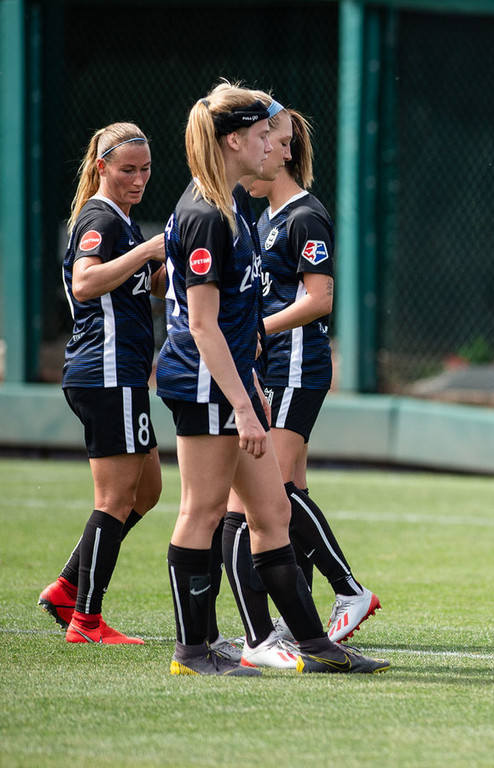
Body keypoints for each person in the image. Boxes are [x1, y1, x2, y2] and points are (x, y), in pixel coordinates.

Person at [157, 82, 387, 676]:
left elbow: (231, 323)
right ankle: (192, 649)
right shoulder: (208, 212)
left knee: (272, 513)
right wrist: (243, 403)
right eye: (263, 135)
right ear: (234, 140)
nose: (274, 146)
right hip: (204, 384)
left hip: (237, 380)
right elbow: (202, 326)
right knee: (203, 512)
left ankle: (315, 646)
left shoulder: (234, 208)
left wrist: (252, 386)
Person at [222, 105, 380, 670]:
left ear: (285, 152)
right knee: (284, 492)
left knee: (267, 497)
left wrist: (255, 329)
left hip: (294, 365)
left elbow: (320, 299)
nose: (261, 152)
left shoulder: (304, 216)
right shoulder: (262, 217)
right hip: (273, 367)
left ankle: (346, 591)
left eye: (273, 141)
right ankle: (298, 621)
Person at [38, 122, 166, 645]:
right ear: (102, 168)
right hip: (106, 372)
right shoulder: (100, 216)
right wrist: (149, 249)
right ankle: (85, 620)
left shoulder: (121, 221)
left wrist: (163, 267)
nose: (138, 179)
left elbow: (131, 286)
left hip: (123, 373)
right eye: (127, 170)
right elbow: (86, 281)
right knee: (115, 499)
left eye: (145, 169)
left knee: (149, 489)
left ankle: (69, 586)